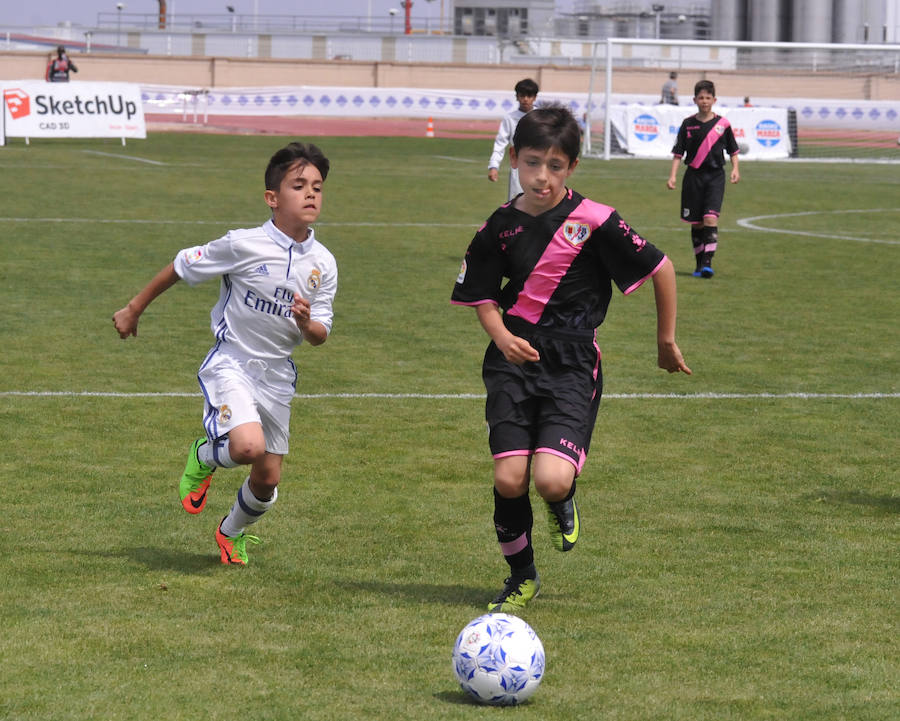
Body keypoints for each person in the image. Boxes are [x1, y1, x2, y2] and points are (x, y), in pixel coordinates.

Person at [452, 105, 691, 612]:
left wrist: (665, 341)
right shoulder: (499, 225)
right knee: (508, 477)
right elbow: (481, 295)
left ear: (572, 167)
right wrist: (499, 337)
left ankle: (562, 499)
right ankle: (521, 577)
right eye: (533, 162)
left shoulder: (596, 220)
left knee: (550, 478)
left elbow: (663, 267)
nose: (542, 176)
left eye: (555, 166)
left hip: (572, 362)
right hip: (511, 361)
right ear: (515, 158)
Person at [112, 142, 338, 566]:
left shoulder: (323, 263)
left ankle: (229, 532)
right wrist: (134, 308)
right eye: (298, 185)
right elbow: (181, 265)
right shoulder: (243, 244)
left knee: (267, 481)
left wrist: (307, 324)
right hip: (231, 362)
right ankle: (203, 455)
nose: (311, 194)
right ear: (272, 198)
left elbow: (321, 333)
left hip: (277, 377)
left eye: (317, 187)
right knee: (248, 446)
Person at [667, 80, 740, 278]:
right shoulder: (688, 124)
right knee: (697, 222)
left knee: (710, 217)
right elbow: (678, 152)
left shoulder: (722, 125)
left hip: (715, 176)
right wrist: (673, 175)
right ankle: (699, 264)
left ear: (714, 100)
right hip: (693, 177)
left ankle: (707, 263)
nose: (704, 101)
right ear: (695, 100)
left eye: (708, 98)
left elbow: (733, 150)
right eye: (701, 97)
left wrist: (735, 169)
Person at [487, 78, 539, 201]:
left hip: (540, 165)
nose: (525, 99)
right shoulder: (510, 118)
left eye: (529, 95)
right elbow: (500, 143)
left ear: (535, 97)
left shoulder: (541, 116)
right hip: (519, 165)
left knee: (540, 202)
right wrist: (493, 166)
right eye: (522, 95)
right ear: (517, 97)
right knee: (517, 201)